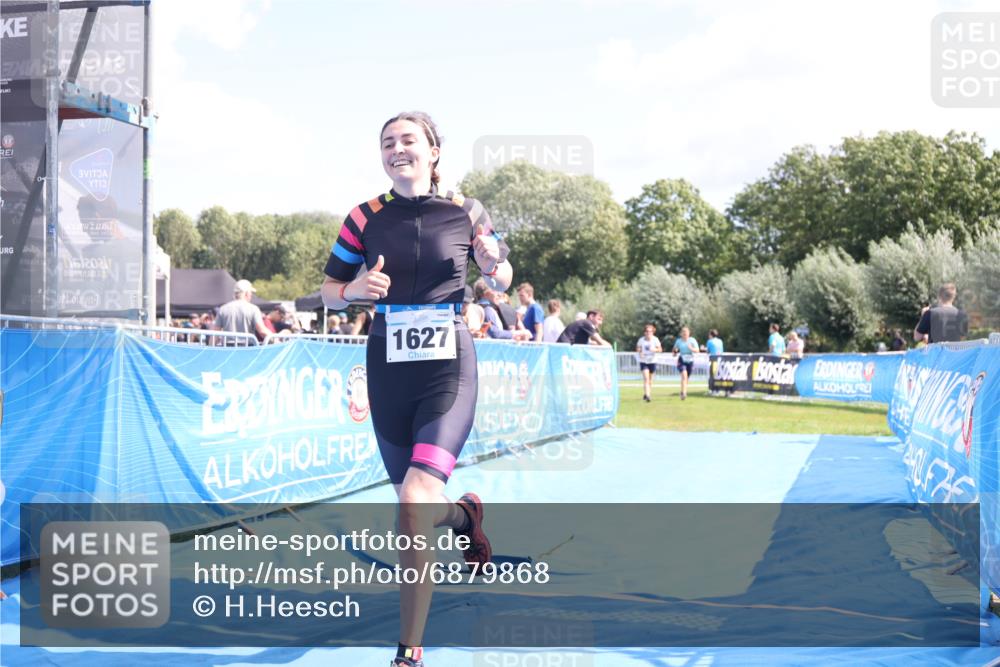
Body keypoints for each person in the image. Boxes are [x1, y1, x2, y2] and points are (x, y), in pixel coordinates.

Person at [318, 111, 507, 667]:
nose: (396, 149)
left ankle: (408, 651)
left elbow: (499, 272)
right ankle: (466, 519)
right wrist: (353, 288)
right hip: (388, 365)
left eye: (407, 140)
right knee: (414, 508)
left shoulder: (466, 210)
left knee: (411, 499)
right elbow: (328, 292)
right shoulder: (363, 217)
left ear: (433, 151)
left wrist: (495, 265)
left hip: (449, 365)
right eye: (387, 143)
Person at [213, 279, 270, 346]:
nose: (251, 295)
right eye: (251, 293)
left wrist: (208, 352)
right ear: (246, 293)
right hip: (247, 349)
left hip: (228, 350)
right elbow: (262, 331)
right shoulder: (253, 309)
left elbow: (215, 335)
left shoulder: (223, 309)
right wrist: (277, 340)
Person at [636, 323, 663, 402]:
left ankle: (647, 393)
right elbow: (638, 348)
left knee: (650, 380)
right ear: (644, 332)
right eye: (647, 331)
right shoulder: (641, 340)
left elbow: (660, 350)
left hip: (652, 361)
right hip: (644, 361)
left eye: (650, 332)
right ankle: (648, 396)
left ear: (653, 332)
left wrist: (654, 350)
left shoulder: (655, 339)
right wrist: (640, 352)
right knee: (646, 378)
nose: (648, 333)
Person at [672, 326, 699, 400]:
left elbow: (697, 350)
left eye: (686, 332)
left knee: (686, 378)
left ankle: (682, 391)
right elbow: (674, 350)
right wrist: (675, 352)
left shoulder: (692, 340)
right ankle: (684, 393)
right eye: (683, 332)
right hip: (681, 360)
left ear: (689, 333)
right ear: (681, 334)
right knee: (684, 375)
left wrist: (691, 348)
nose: (684, 334)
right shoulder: (678, 341)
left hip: (690, 360)